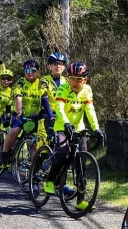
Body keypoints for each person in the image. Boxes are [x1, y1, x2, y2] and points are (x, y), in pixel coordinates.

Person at [43, 61, 105, 204]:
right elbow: (59, 107)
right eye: (72, 78)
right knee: (64, 153)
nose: (75, 82)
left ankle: (80, 201)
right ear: (68, 77)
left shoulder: (87, 90)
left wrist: (96, 128)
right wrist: (65, 123)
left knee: (81, 163)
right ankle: (50, 180)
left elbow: (90, 110)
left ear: (86, 80)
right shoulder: (63, 88)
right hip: (62, 126)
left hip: (79, 127)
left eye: (79, 79)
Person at [0, 59, 46, 161]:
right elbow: (18, 97)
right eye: (27, 71)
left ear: (37, 72)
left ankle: (32, 168)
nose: (30, 73)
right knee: (16, 130)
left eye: (32, 71)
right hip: (19, 113)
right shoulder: (20, 82)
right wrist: (20, 112)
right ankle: (4, 154)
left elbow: (45, 98)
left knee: (32, 141)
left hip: (34, 115)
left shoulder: (41, 83)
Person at [39, 52, 68, 135]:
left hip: (63, 114)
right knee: (45, 141)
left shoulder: (67, 81)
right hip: (48, 113)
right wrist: (51, 115)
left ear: (64, 66)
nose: (58, 66)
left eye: (61, 63)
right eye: (55, 63)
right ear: (49, 66)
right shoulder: (44, 80)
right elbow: (44, 99)